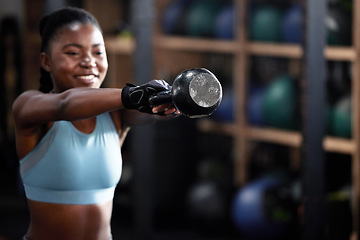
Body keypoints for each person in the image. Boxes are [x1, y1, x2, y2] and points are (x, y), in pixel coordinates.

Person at [12, 7, 180, 240]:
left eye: (98, 52)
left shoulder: (116, 116)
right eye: (73, 53)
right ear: (46, 61)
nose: (88, 62)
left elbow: (149, 112)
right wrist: (132, 94)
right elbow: (65, 105)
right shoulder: (28, 106)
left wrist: (172, 102)